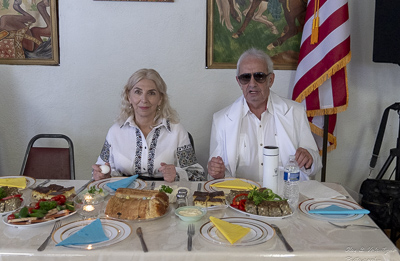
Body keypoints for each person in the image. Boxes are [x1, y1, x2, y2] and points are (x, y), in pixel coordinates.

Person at [207, 48, 322, 182]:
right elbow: (214, 172)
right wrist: (216, 172)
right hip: (240, 197)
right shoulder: (221, 119)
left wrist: (309, 158)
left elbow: (316, 163)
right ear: (239, 82)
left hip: (284, 195)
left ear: (271, 80)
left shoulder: (294, 112)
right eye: (245, 77)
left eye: (259, 76)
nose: (252, 84)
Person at [92, 68, 205, 182]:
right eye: (138, 92)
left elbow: (197, 175)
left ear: (160, 98)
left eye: (151, 93)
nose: (144, 99)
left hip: (165, 195)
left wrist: (176, 174)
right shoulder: (115, 131)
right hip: (124, 195)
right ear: (128, 97)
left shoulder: (176, 131)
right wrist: (102, 175)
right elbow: (99, 171)